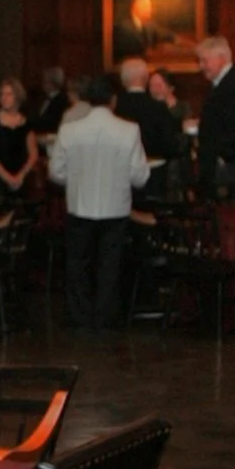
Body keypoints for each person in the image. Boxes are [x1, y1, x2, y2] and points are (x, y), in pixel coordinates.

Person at [49, 74, 149, 332]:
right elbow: (140, 176)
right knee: (110, 266)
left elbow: (56, 172)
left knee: (78, 264)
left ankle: (80, 317)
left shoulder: (70, 130)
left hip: (80, 205)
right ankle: (106, 319)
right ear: (113, 100)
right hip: (114, 208)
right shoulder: (129, 130)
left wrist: (76, 179)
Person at [196, 34, 235, 196]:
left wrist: (221, 156)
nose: (201, 66)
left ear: (221, 59)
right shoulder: (223, 83)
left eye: (205, 61)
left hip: (229, 166)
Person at [112, 56, 183, 178]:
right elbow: (170, 145)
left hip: (120, 171)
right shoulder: (158, 108)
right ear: (146, 79)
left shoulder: (114, 107)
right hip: (154, 172)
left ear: (123, 80)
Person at [0, 77, 36, 204]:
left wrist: (20, 176)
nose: (4, 98)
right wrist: (7, 177)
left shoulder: (26, 123)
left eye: (9, 94)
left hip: (20, 176)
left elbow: (33, 154)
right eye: (2, 94)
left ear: (17, 96)